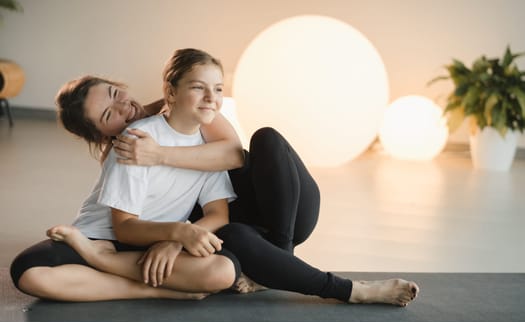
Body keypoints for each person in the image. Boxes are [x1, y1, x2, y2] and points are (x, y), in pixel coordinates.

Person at [11, 48, 419, 306]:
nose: (125, 107)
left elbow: (233, 158)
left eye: (117, 94)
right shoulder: (130, 145)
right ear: (102, 135)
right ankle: (139, 280)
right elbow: (129, 224)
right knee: (30, 273)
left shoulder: (193, 111)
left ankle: (281, 257)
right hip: (148, 236)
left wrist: (166, 170)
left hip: (282, 213)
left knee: (267, 141)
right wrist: (176, 234)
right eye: (109, 114)